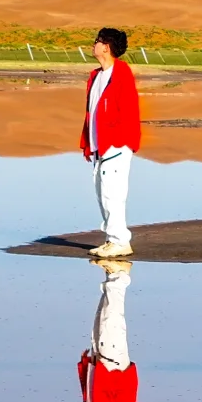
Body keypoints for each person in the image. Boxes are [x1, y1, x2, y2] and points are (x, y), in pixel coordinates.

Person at [80, 27, 141, 259]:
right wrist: (88, 142)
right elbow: (92, 112)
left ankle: (119, 241)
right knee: (102, 192)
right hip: (99, 145)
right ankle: (111, 239)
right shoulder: (96, 75)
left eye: (97, 41)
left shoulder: (121, 73)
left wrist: (117, 139)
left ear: (106, 47)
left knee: (112, 193)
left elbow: (126, 111)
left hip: (115, 146)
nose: (93, 45)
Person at [78, 260, 138, 402]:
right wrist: (114, 372)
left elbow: (89, 400)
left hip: (99, 367)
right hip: (113, 370)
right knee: (113, 322)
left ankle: (111, 276)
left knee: (100, 320)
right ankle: (120, 276)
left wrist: (88, 367)